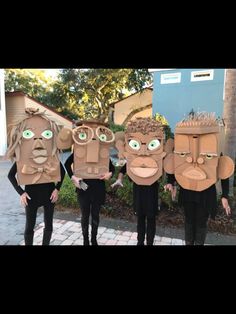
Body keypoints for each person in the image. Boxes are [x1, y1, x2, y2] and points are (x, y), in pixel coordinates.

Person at [164, 112, 235, 245]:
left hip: (205, 194)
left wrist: (224, 195)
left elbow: (222, 169)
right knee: (189, 220)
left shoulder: (213, 145)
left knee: (201, 222)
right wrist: (170, 182)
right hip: (187, 191)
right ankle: (189, 242)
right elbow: (177, 163)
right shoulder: (183, 144)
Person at [6, 108, 65, 245]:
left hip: (49, 193)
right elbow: (10, 175)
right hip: (31, 195)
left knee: (48, 225)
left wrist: (57, 189)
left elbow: (62, 172)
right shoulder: (23, 157)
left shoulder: (51, 155)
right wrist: (21, 193)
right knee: (29, 227)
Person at [112, 117, 172, 245]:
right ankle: (140, 242)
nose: (144, 151)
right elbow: (124, 169)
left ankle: (149, 242)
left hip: (152, 191)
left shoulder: (158, 158)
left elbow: (168, 168)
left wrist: (170, 183)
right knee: (140, 218)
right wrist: (119, 179)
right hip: (138, 191)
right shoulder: (134, 159)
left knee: (151, 219)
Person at [60, 119, 115, 245]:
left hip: (98, 187)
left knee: (95, 215)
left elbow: (111, 168)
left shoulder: (103, 151)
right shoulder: (79, 148)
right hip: (83, 187)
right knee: (85, 215)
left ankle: (94, 239)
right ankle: (85, 240)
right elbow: (67, 164)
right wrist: (73, 177)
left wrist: (109, 174)